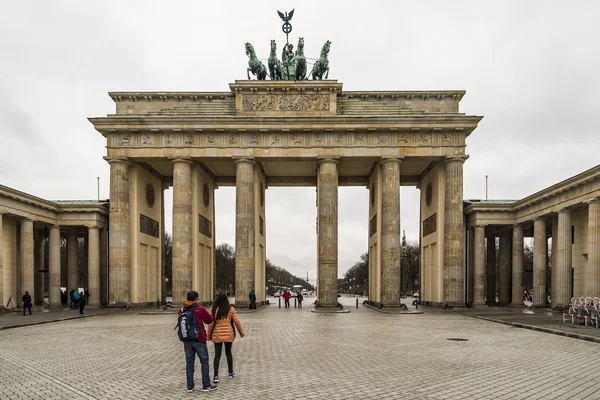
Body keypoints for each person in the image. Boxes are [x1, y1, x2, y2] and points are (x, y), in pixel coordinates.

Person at [178, 290, 216, 393]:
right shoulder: (200, 309)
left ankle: (190, 387)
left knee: (189, 363)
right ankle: (206, 385)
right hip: (199, 339)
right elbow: (209, 320)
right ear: (196, 299)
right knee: (204, 361)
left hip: (187, 340)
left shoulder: (181, 310)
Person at [208, 293, 245, 384]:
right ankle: (230, 372)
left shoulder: (213, 310)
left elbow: (210, 324)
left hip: (217, 335)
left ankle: (216, 375)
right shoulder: (230, 309)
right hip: (229, 334)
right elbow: (237, 322)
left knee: (217, 355)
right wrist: (242, 333)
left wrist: (208, 336)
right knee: (228, 353)